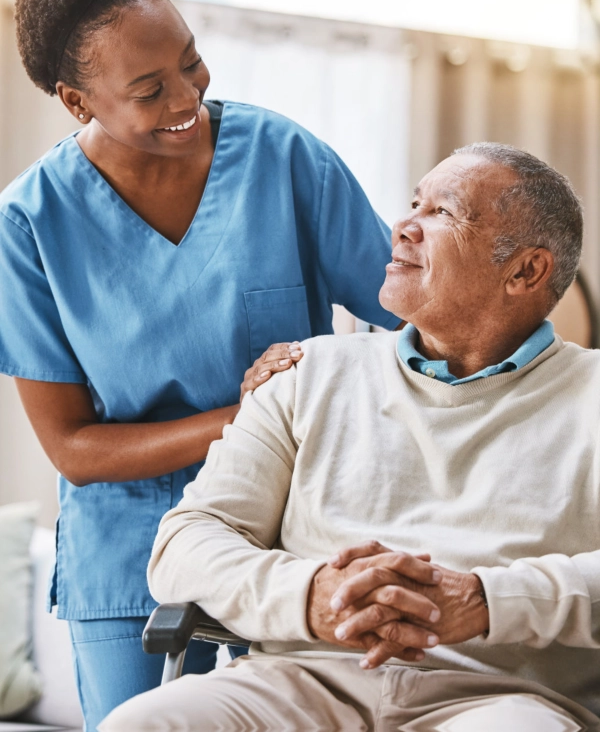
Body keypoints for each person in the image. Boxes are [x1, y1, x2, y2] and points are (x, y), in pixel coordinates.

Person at [0, 0, 400, 731]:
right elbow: (74, 447)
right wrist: (249, 416)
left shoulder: (283, 159)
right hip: (128, 552)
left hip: (293, 534)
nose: (186, 97)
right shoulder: (29, 226)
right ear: (79, 103)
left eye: (192, 62)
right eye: (150, 89)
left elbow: (413, 317)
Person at [103, 144, 600, 731]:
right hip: (297, 683)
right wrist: (310, 592)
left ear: (525, 270)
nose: (404, 226)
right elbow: (186, 542)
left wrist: (486, 599)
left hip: (498, 700)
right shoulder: (306, 372)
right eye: (415, 202)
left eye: (445, 213)